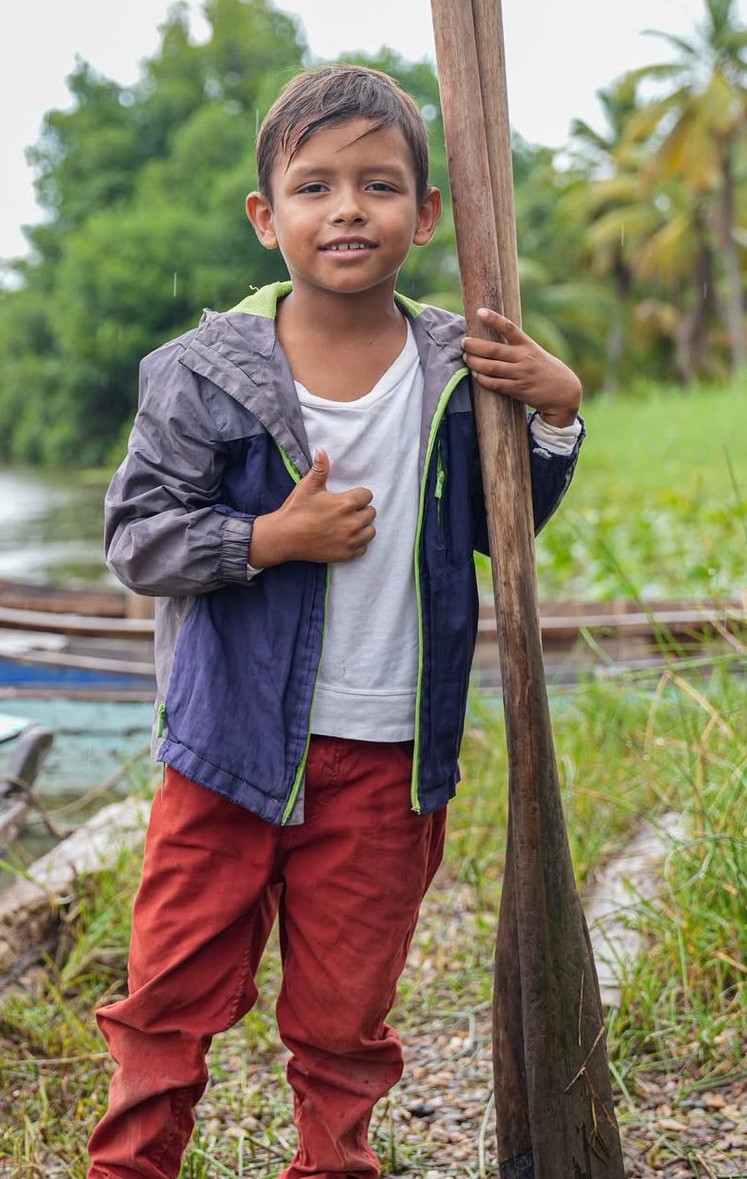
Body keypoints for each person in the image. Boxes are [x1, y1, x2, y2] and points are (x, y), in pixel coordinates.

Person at [88, 63, 584, 1179]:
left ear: (427, 213)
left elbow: (504, 533)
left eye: (378, 184)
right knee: (167, 1000)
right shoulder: (202, 373)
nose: (347, 208)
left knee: (343, 1021)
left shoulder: (465, 367)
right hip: (224, 754)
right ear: (268, 218)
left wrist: (553, 407)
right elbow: (135, 540)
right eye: (314, 187)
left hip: (389, 761)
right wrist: (267, 539)